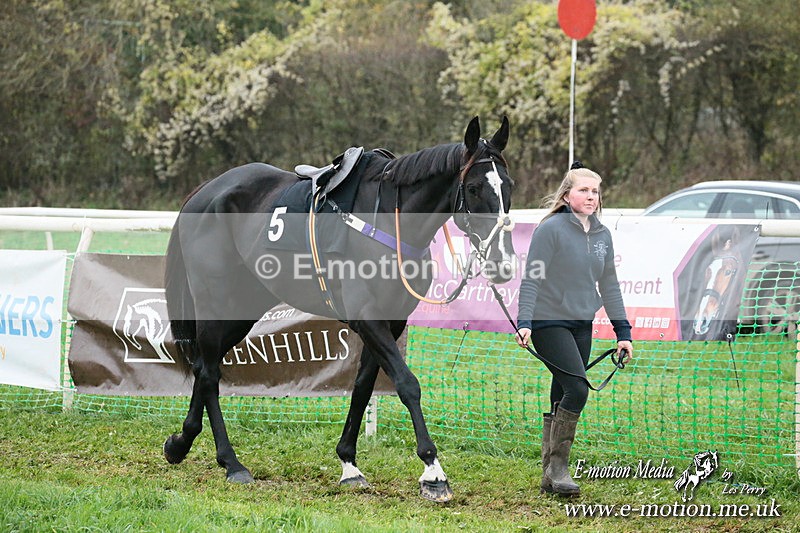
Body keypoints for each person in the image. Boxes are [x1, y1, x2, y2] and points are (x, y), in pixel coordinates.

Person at [515, 161, 633, 497]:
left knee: (562, 392)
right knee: (578, 389)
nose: (591, 196)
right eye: (584, 190)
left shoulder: (602, 235)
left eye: (595, 191)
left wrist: (622, 332)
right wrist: (524, 323)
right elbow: (531, 280)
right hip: (548, 322)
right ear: (567, 196)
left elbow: (609, 284)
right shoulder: (550, 229)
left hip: (582, 324)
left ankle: (549, 477)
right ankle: (559, 467)